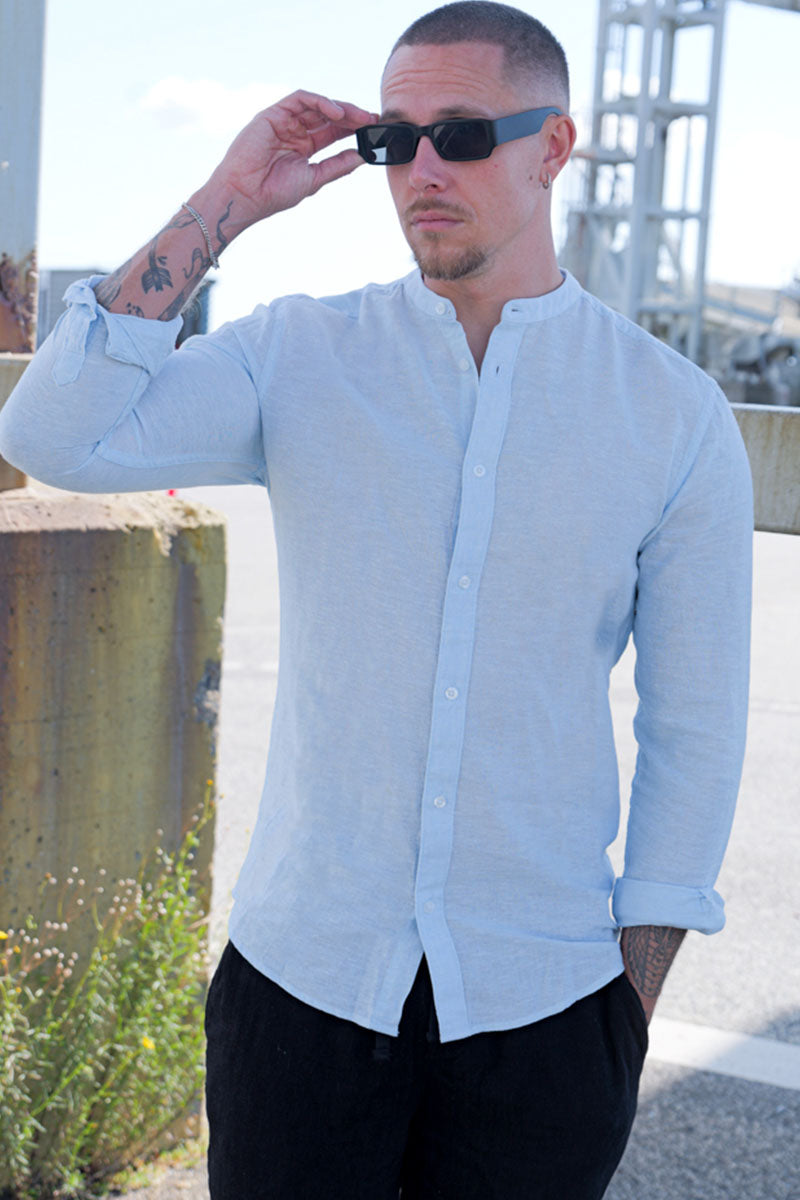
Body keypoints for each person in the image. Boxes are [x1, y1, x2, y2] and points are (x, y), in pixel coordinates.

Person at [0, 2, 753, 1197]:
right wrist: (229, 198)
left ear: (552, 148)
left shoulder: (667, 412)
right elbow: (52, 435)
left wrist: (628, 1008)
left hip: (545, 1013)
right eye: (393, 140)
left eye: (462, 134)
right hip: (299, 994)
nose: (421, 170)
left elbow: (695, 727)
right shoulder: (298, 354)